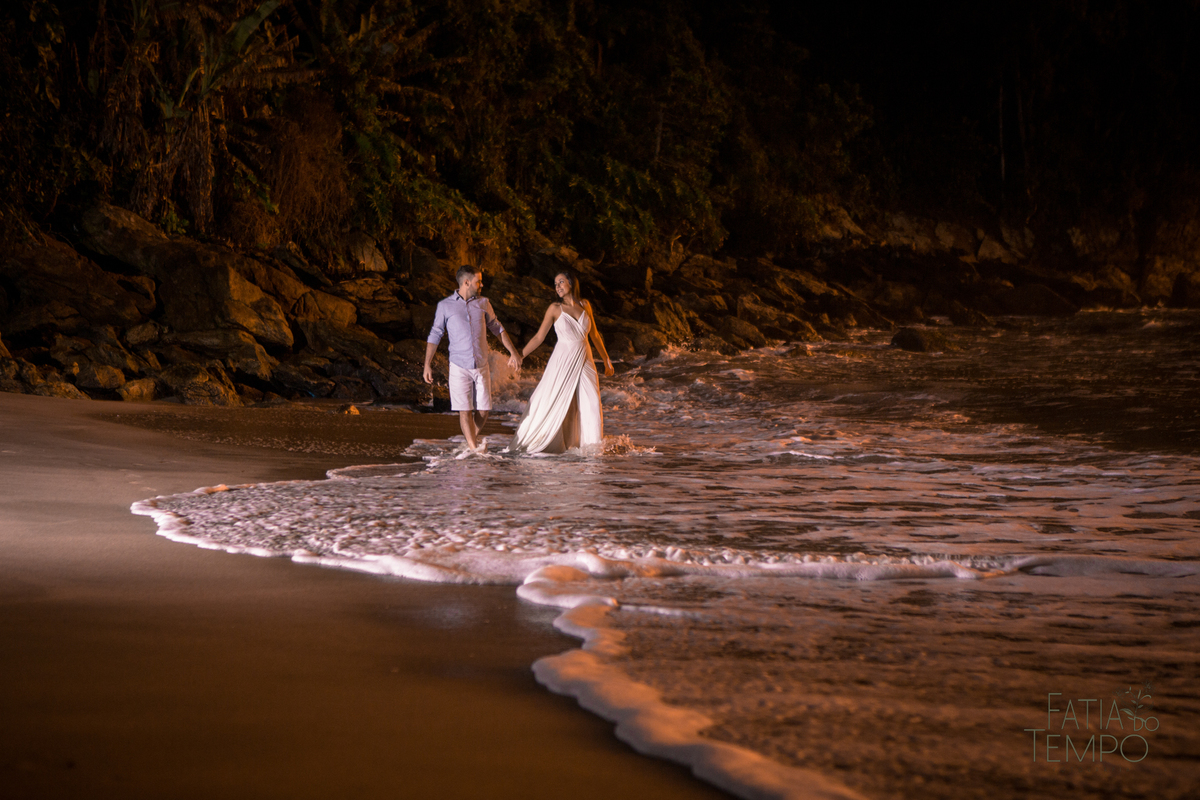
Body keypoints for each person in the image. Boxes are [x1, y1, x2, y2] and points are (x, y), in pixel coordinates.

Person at [508, 270, 614, 454]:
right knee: (557, 400)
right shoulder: (555, 308)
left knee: (592, 401)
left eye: (561, 282)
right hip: (563, 359)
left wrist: (606, 360)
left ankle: (593, 447)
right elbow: (539, 337)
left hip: (585, 358)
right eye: (555, 284)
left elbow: (595, 335)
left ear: (571, 283)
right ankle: (556, 442)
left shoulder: (585, 305)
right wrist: (520, 355)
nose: (557, 287)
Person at [424, 265, 522, 454]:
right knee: (465, 410)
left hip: (481, 365)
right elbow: (435, 334)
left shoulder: (484, 303)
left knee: (484, 410)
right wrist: (427, 364)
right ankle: (474, 448)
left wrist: (513, 352)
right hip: (458, 366)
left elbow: (497, 327)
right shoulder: (445, 306)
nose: (482, 285)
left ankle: (470, 443)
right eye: (479, 281)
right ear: (467, 282)